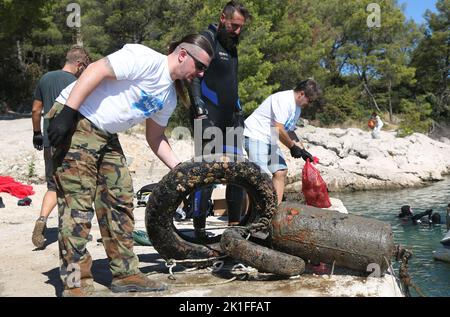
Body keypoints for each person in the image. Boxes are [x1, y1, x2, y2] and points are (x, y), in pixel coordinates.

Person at [46, 34, 213, 296]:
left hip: (106, 135)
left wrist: (183, 173)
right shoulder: (144, 59)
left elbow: (155, 138)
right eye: (200, 66)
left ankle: (125, 273)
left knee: (120, 200)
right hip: (78, 119)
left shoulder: (168, 96)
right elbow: (95, 70)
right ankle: (75, 283)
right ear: (183, 54)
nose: (201, 74)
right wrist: (67, 112)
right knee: (77, 207)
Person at [187, 1, 250, 240]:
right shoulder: (208, 38)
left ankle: (233, 227)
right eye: (234, 25)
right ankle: (199, 229)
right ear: (222, 18)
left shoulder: (230, 44)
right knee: (206, 174)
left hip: (231, 119)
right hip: (208, 118)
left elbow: (230, 83)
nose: (237, 30)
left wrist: (238, 110)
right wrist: (198, 107)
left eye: (240, 27)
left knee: (237, 172)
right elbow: (193, 75)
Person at [31, 46, 91, 249]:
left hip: (49, 140)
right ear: (80, 64)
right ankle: (72, 232)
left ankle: (41, 221)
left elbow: (35, 109)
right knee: (73, 187)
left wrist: (37, 133)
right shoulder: (77, 83)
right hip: (71, 142)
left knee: (52, 185)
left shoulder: (45, 78)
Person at [243, 79, 321, 204]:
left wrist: (302, 150)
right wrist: (291, 147)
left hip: (270, 139)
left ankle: (275, 210)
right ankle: (250, 217)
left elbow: (289, 131)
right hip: (255, 135)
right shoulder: (284, 99)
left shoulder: (297, 108)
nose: (309, 104)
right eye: (309, 100)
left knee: (280, 172)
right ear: (301, 94)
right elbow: (278, 128)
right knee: (258, 178)